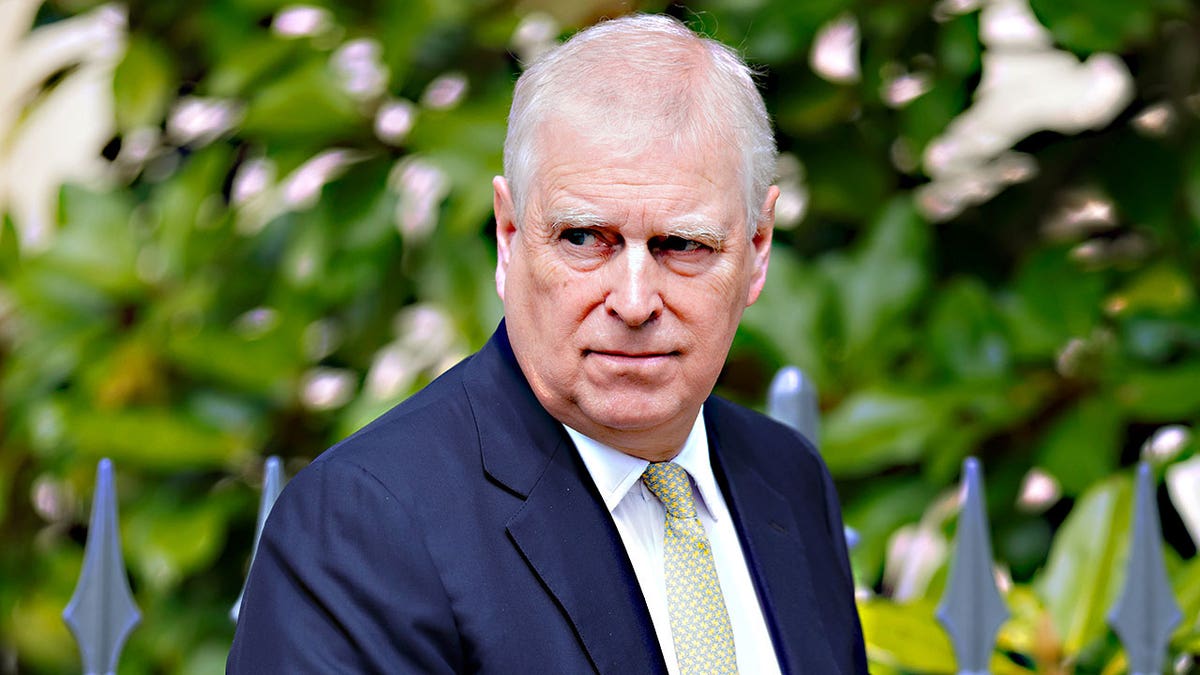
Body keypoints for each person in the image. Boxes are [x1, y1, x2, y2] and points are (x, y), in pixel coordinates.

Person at [228, 13, 866, 674]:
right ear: (508, 235)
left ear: (757, 249)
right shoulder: (363, 529)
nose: (635, 301)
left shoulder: (787, 479)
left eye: (682, 244)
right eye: (586, 238)